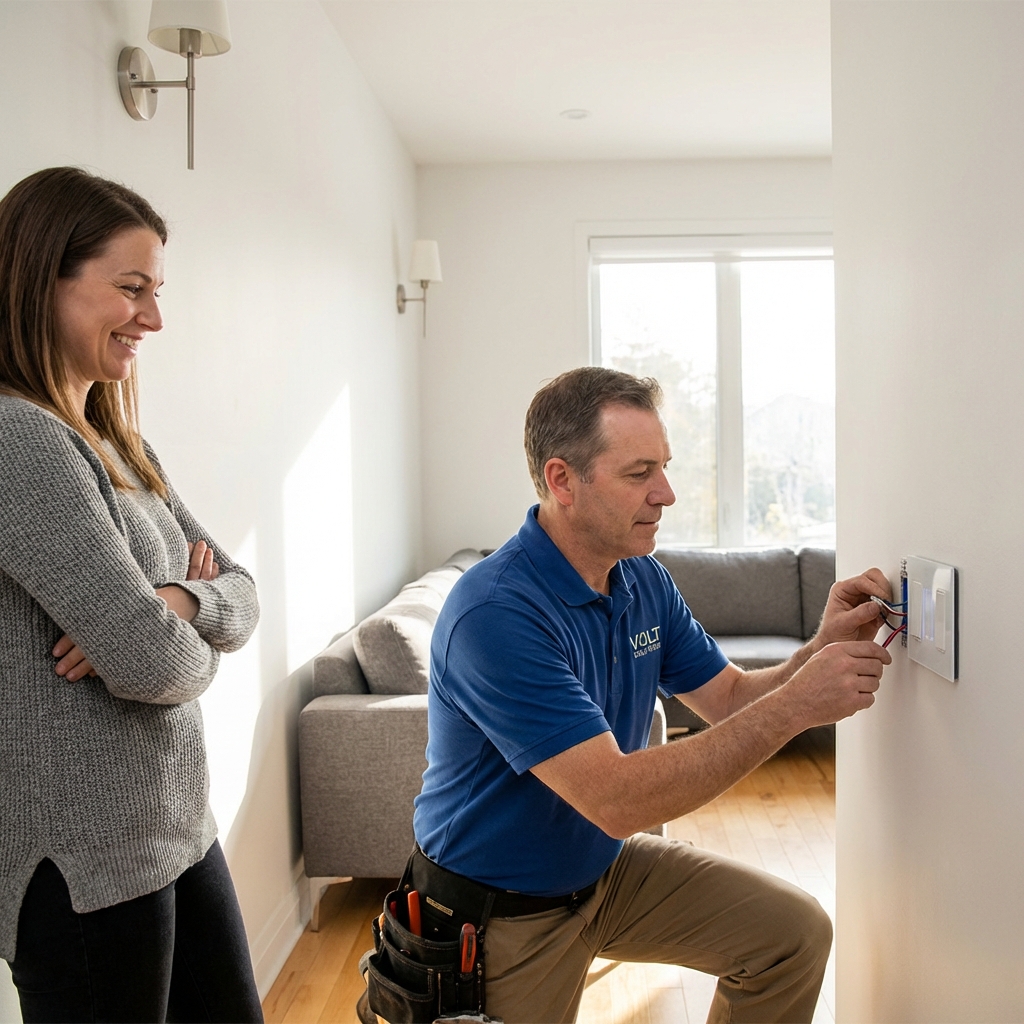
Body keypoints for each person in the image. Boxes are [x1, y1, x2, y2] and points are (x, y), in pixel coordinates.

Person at [410, 366, 893, 1024]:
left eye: (664, 467)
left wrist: (818, 652)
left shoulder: (643, 580)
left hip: (601, 873)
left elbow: (726, 696)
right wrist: (800, 706)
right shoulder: (494, 614)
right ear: (562, 481)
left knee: (792, 935)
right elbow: (618, 798)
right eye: (639, 473)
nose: (666, 493)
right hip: (499, 910)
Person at [0, 167, 263, 1023]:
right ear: (45, 281)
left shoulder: (114, 438)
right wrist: (168, 624)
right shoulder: (21, 443)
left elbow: (241, 591)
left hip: (176, 825)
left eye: (157, 290)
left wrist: (176, 601)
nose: (153, 318)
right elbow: (153, 668)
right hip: (84, 862)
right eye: (132, 288)